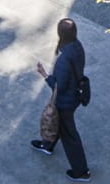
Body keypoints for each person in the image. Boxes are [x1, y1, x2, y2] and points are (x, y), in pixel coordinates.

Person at [31, 18, 90, 182]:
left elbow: (59, 86)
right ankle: (47, 145)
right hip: (75, 95)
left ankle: (81, 172)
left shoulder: (64, 59)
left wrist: (44, 74)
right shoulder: (78, 47)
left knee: (69, 134)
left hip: (65, 101)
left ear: (60, 34)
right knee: (58, 124)